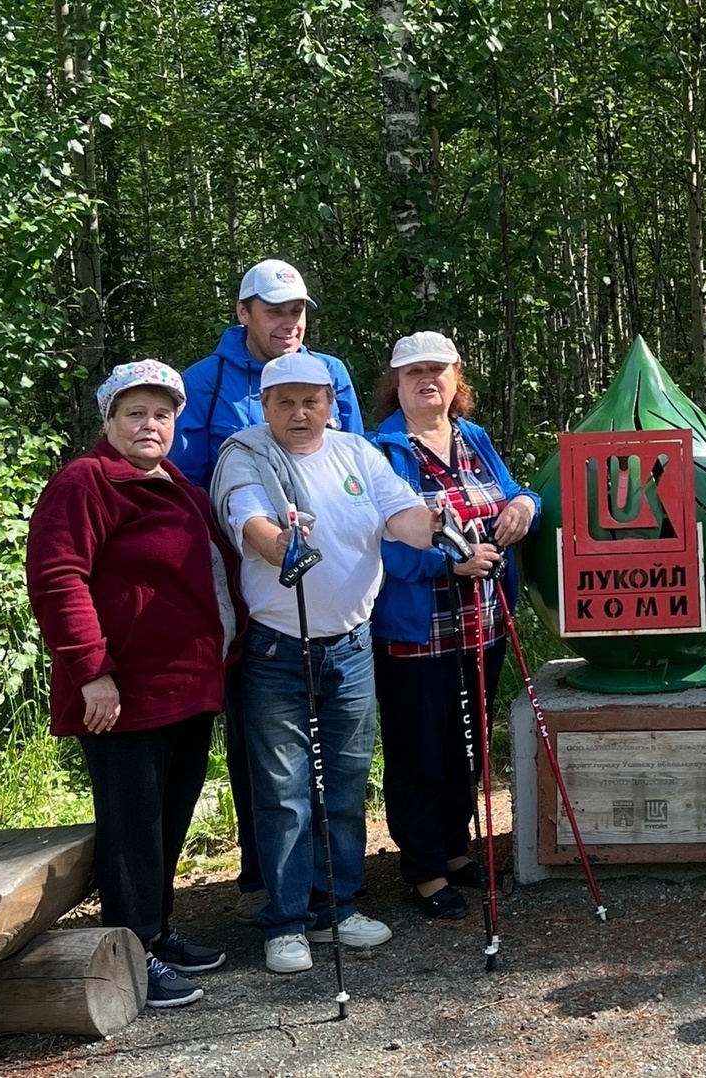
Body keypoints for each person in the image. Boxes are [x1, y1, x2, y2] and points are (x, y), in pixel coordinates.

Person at [210, 352, 440, 974]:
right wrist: (281, 543)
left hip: (351, 645)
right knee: (284, 793)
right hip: (277, 648)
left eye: (311, 400)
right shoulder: (246, 452)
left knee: (343, 782)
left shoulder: (357, 453)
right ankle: (285, 922)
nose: (299, 413)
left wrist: (438, 522)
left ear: (330, 403)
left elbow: (403, 516)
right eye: (285, 402)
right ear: (265, 406)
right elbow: (246, 517)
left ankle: (335, 907)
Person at [26, 361, 241, 1009]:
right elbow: (58, 577)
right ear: (110, 420)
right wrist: (91, 670)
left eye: (162, 414)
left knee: (167, 821)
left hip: (186, 687)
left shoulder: (179, 487)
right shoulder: (85, 483)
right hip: (120, 696)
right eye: (135, 413)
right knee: (132, 828)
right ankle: (131, 953)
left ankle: (157, 930)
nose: (150, 425)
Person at [169, 259, 364, 925]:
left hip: (329, 588)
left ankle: (333, 889)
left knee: (338, 754)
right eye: (275, 310)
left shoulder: (329, 371)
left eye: (297, 310)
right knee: (271, 750)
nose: (290, 322)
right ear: (243, 313)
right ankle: (272, 885)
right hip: (246, 586)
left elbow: (351, 463)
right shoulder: (206, 381)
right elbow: (190, 488)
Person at [368, 331, 540, 919]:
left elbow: (513, 492)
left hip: (483, 624)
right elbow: (379, 544)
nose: (427, 381)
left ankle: (455, 847)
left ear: (456, 377)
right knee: (420, 747)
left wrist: (525, 507)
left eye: (438, 370)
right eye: (413, 372)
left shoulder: (473, 437)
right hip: (417, 630)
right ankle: (421, 866)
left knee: (468, 741)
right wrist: (449, 559)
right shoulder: (380, 451)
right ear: (396, 383)